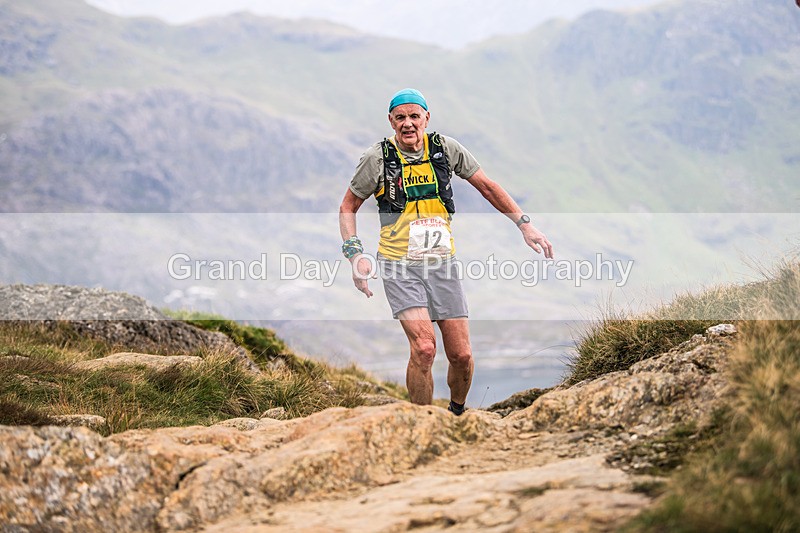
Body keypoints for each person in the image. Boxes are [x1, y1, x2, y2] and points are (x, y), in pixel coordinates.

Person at [338, 88, 553, 415]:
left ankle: (455, 413)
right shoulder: (377, 159)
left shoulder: (445, 149)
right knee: (424, 349)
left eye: (414, 116)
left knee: (461, 356)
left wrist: (524, 224)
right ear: (390, 122)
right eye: (400, 118)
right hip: (399, 264)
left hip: (442, 264)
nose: (408, 124)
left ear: (426, 117)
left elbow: (487, 186)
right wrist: (355, 254)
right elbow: (348, 206)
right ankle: (422, 423)